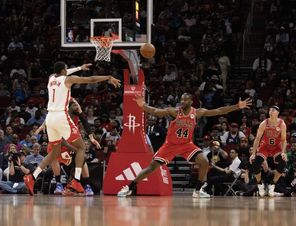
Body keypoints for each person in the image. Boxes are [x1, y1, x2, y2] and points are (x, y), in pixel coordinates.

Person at [117, 93, 251, 198]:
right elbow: (156, 111)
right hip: (170, 145)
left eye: (185, 100)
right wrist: (143, 105)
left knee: (204, 161)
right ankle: (130, 187)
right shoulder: (174, 111)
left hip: (187, 145)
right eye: (181, 99)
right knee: (152, 167)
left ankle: (198, 190)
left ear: (191, 102)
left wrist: (237, 106)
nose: (182, 102)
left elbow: (219, 110)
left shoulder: (197, 112)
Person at [25, 62, 120, 195]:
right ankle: (76, 180)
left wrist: (80, 68)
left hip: (50, 118)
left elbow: (64, 72)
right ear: (64, 70)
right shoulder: (68, 80)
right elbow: (91, 79)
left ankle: (32, 177)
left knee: (53, 153)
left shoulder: (51, 78)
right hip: (61, 117)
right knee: (81, 147)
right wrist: (108, 77)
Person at [249, 105, 287, 197]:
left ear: (277, 112)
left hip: (276, 147)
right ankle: (259, 184)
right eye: (269, 110)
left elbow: (284, 140)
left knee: (283, 161)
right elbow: (257, 139)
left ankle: (272, 184)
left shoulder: (282, 124)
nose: (270, 111)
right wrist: (253, 153)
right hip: (265, 146)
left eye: (273, 110)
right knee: (255, 162)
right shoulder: (264, 123)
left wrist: (283, 152)